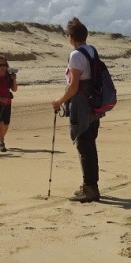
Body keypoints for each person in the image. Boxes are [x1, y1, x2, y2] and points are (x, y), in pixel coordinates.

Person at [50, 18, 102, 202]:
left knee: (84, 145)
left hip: (82, 106)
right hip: (93, 104)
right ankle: (91, 185)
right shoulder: (91, 50)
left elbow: (73, 86)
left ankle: (90, 188)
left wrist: (59, 101)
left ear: (71, 37)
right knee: (89, 143)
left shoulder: (76, 55)